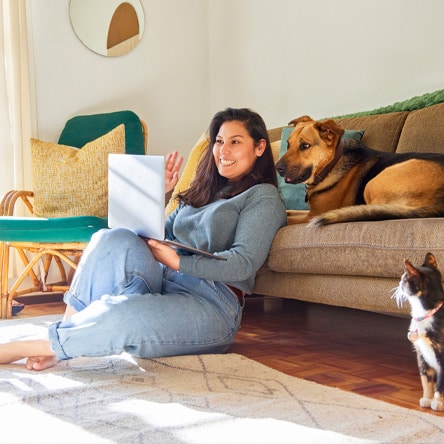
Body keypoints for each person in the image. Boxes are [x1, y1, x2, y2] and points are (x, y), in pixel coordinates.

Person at [0, 107, 287, 370]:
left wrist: (178, 263)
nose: (223, 150)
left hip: (212, 303)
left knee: (122, 315)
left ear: (259, 147)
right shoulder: (202, 191)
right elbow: (155, 235)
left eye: (235, 141)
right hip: (162, 280)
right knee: (110, 238)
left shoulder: (263, 197)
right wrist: (156, 192)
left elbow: (243, 264)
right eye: (219, 141)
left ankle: (30, 347)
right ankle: (66, 337)